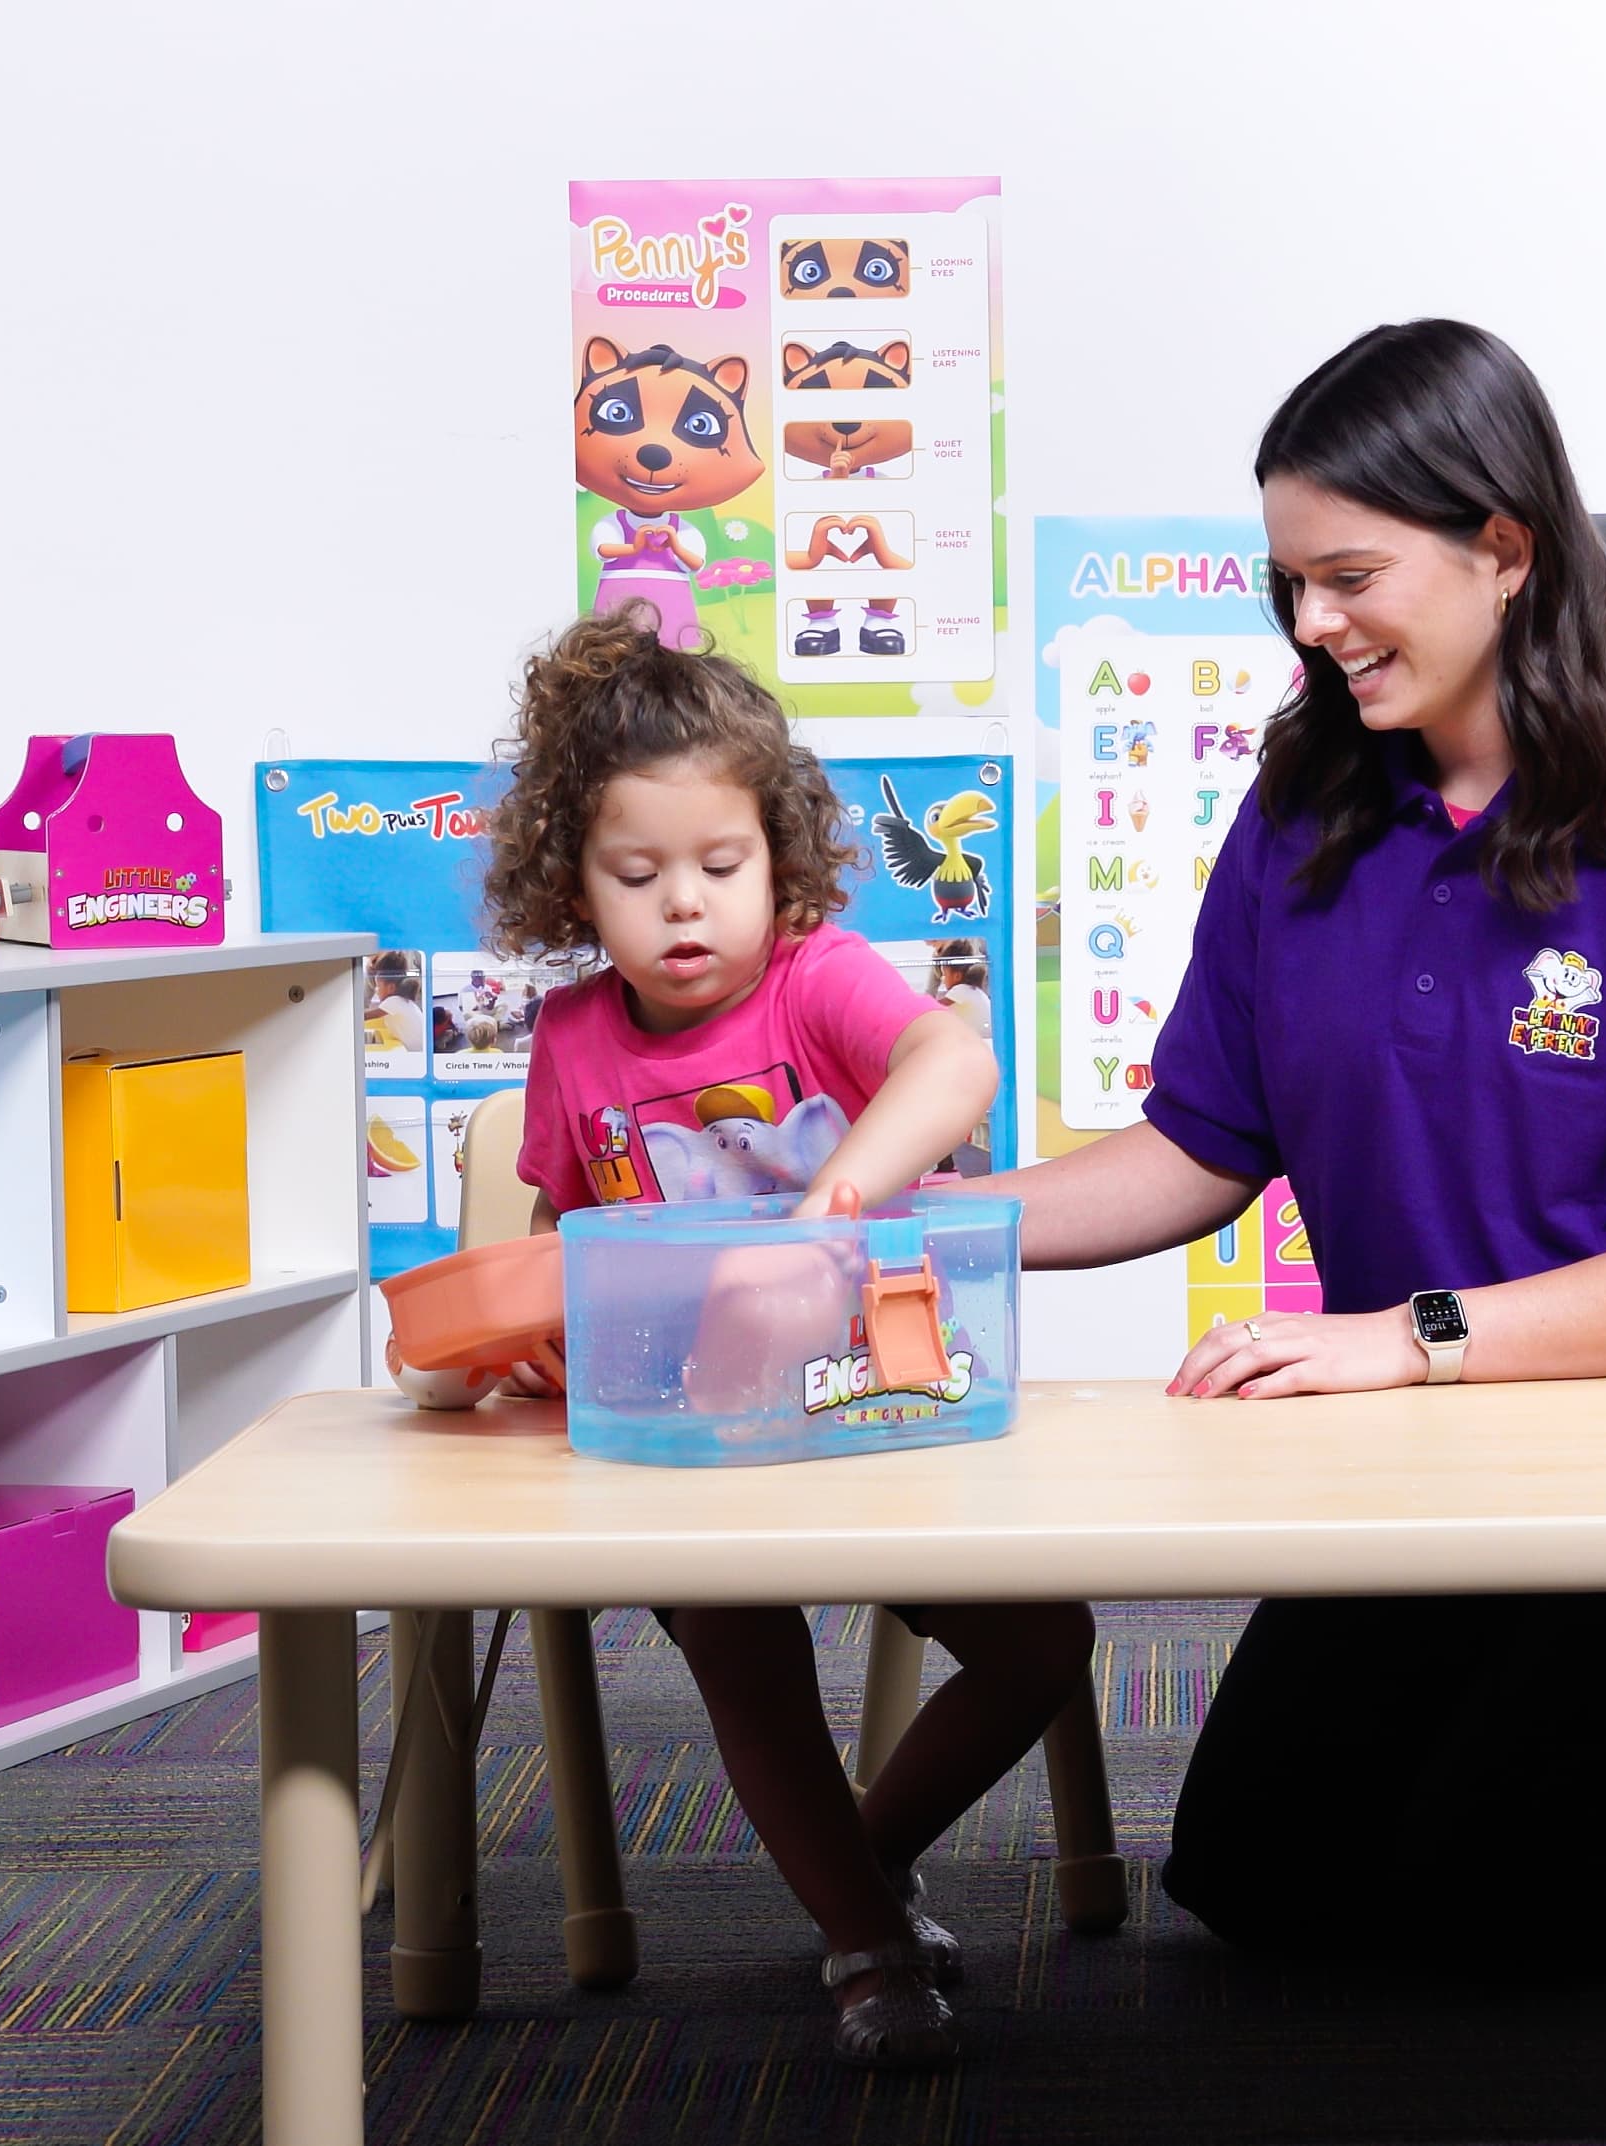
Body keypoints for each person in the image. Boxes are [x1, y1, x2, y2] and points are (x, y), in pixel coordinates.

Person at [970, 319, 1606, 1960]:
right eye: (1289, 582)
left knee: (1504, 1912)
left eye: (1348, 574)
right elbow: (1201, 1145)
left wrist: (1405, 1342)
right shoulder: (1305, 810)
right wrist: (906, 1222)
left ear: (1505, 548)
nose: (1312, 622)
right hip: (1451, 1435)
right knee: (1258, 1880)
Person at [466, 612, 1095, 2065]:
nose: (685, 906)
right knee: (742, 1639)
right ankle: (868, 1943)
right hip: (699, 1455)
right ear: (574, 881)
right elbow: (557, 1259)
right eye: (637, 875)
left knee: (1046, 1638)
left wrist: (836, 1200)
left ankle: (850, 1864)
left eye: (722, 866)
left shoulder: (817, 978)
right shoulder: (573, 1047)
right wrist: (527, 1339)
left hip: (887, 1410)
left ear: (781, 857)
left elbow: (956, 1057)